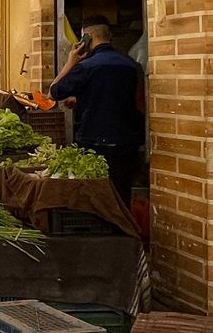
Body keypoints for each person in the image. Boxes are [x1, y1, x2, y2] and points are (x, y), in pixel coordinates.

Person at [50, 21, 148, 203]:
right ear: (109, 36)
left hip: (94, 140)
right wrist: (82, 98)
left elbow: (55, 92)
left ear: (88, 37)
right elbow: (119, 94)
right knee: (121, 195)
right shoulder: (130, 64)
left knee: (96, 195)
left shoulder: (86, 66)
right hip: (127, 140)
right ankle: (122, 227)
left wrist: (71, 62)